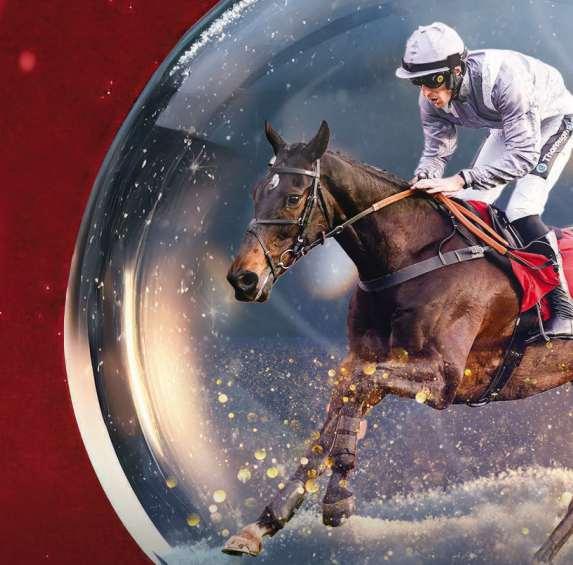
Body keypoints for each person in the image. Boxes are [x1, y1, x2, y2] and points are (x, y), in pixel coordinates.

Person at [395, 21, 573, 339]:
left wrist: (461, 179)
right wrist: (424, 178)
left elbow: (523, 157)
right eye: (418, 82)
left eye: (433, 80)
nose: (426, 91)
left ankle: (564, 311)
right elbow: (436, 152)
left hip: (554, 119)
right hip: (510, 125)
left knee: (522, 209)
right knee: (466, 207)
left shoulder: (505, 81)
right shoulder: (429, 99)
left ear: (456, 70)